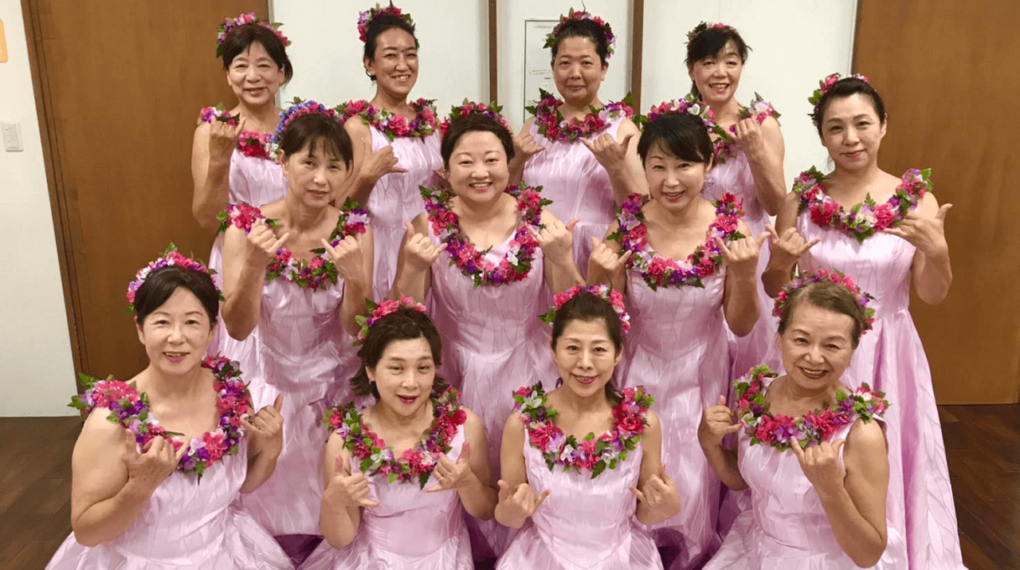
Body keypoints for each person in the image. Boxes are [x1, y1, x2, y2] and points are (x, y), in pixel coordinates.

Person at [761, 73, 963, 568]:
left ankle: (888, 551)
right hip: (815, 350)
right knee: (810, 461)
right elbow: (775, 289)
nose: (850, 138)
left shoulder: (914, 200)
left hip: (887, 350)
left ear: (883, 125)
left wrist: (938, 252)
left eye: (862, 123)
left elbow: (932, 294)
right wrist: (780, 264)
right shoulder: (801, 201)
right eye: (835, 127)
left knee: (882, 457)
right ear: (821, 135)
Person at [392, 106, 583, 560]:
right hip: (457, 365)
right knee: (463, 466)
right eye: (466, 161)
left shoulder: (537, 217)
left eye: (492, 159)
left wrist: (562, 257)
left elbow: (573, 310)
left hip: (528, 364)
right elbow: (404, 314)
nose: (480, 172)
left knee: (522, 466)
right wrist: (413, 266)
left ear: (509, 162)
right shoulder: (428, 223)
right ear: (445, 169)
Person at [587, 110, 763, 569]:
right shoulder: (627, 226)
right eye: (658, 166)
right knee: (638, 477)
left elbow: (742, 325)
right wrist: (599, 277)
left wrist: (745, 274)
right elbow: (601, 320)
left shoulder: (729, 230)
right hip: (639, 370)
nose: (670, 180)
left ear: (708, 165)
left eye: (684, 165)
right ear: (643, 168)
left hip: (702, 372)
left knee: (694, 481)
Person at [46, 247, 291, 569]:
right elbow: (87, 533)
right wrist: (138, 489)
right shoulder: (112, 421)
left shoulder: (231, 396)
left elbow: (242, 485)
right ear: (140, 329)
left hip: (225, 551)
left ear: (211, 330)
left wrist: (270, 449)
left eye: (191, 322)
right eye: (162, 322)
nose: (177, 337)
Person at [220, 101, 373, 564]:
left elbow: (356, 329)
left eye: (334, 166)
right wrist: (253, 266)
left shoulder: (354, 231)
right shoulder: (245, 228)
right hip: (269, 375)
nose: (321, 179)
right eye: (309, 163)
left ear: (347, 173)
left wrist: (357, 281)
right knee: (268, 483)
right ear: (283, 162)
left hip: (331, 378)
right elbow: (238, 327)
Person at [701, 272, 906, 568]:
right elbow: (741, 480)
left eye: (832, 345)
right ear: (780, 337)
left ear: (852, 351)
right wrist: (709, 443)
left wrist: (831, 489)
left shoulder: (861, 433)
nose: (814, 357)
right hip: (756, 549)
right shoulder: (758, 396)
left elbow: (868, 554)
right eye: (801, 340)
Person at [303, 298, 495, 569]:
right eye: (396, 368)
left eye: (423, 367)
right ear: (371, 371)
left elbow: (487, 511)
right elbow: (340, 538)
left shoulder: (464, 425)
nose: (411, 382)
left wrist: (468, 485)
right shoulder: (345, 442)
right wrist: (333, 503)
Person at [495, 286, 677, 570]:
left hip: (622, 558)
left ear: (618, 353)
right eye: (572, 348)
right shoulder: (522, 424)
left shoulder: (643, 424)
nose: (585, 363)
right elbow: (511, 516)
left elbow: (645, 513)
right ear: (553, 350)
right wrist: (510, 512)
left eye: (599, 350)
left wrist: (665, 508)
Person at [511, 9, 647, 278]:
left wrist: (616, 169)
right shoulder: (534, 125)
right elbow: (509, 196)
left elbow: (642, 210)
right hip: (539, 250)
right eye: (565, 63)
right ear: (553, 67)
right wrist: (515, 161)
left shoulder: (623, 130)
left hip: (597, 251)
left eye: (586, 63)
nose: (574, 73)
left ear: (603, 69)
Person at [684, 22, 786, 377]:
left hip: (747, 248)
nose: (720, 72)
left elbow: (776, 204)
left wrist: (755, 152)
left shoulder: (762, 125)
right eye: (709, 62)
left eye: (731, 61)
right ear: (692, 70)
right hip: (691, 248)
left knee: (748, 351)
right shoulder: (680, 126)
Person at [191, 12, 293, 355]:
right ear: (228, 74)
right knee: (242, 351)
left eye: (264, 65)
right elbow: (208, 219)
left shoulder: (301, 130)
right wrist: (220, 159)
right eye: (240, 66)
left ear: (281, 73)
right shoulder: (211, 132)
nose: (253, 77)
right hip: (236, 257)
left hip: (294, 249)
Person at [337, 3, 442, 301]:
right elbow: (341, 209)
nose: (403, 65)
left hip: (427, 245)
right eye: (391, 55)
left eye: (410, 54)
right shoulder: (359, 127)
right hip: (380, 247)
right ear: (369, 64)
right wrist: (367, 177)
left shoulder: (430, 124)